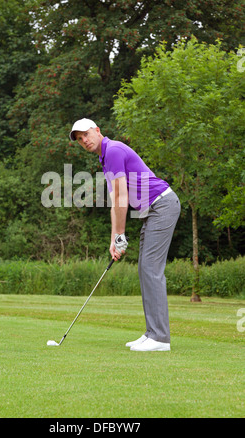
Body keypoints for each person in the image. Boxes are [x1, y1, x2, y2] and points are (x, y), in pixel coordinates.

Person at [69, 118, 181, 352]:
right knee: (145, 269)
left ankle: (160, 338)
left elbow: (122, 198)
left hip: (162, 205)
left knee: (151, 269)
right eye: (79, 139)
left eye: (86, 134)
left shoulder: (114, 151)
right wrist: (115, 239)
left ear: (98, 131)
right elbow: (115, 201)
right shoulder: (106, 157)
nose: (84, 141)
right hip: (153, 211)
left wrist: (120, 234)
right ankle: (152, 332)